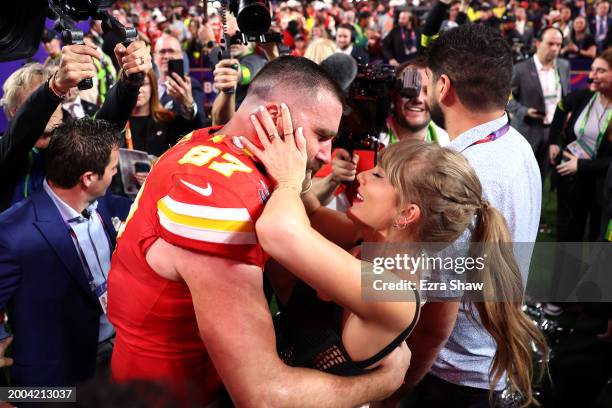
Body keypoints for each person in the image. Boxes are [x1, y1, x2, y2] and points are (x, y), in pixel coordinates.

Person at [107, 56, 411, 407]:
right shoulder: (220, 200)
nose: (327, 153)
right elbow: (263, 396)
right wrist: (385, 382)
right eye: (321, 135)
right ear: (275, 117)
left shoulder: (207, 141)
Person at [243, 109, 546, 396]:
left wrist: (287, 179)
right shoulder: (369, 240)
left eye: (377, 176)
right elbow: (312, 211)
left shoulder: (394, 293)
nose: (361, 176)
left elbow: (278, 230)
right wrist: (298, 153)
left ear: (406, 214)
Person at [396, 24, 546, 407]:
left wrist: (397, 391)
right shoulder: (518, 145)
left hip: (453, 378)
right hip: (493, 363)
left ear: (443, 87)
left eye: (427, 82)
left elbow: (437, 323)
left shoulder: (457, 176)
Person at [0, 118, 129, 387]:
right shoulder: (12, 233)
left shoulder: (107, 204)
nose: (115, 174)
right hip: (56, 383)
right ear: (88, 178)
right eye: (113, 169)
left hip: (118, 355)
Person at [0, 41, 151, 211]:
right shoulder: (6, 149)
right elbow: (16, 140)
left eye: (57, 97)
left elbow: (107, 125)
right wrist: (54, 88)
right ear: (15, 112)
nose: (51, 105)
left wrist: (129, 82)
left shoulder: (69, 138)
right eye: (38, 98)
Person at [312, 58, 448, 210]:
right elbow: (308, 199)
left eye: (427, 91)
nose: (417, 98)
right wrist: (333, 179)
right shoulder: (363, 136)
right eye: (409, 88)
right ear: (393, 94)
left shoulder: (448, 145)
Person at [549, 49, 612, 245]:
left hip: (603, 189)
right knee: (568, 241)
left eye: (600, 71)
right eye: (592, 69)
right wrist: (554, 141)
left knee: (598, 245)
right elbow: (560, 109)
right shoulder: (584, 95)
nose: (592, 76)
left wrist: (582, 165)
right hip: (572, 182)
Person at [508, 26, 570, 178]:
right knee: (521, 177)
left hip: (553, 131)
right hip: (527, 130)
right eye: (550, 44)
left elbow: (564, 95)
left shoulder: (564, 66)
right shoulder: (519, 69)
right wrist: (524, 111)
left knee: (542, 178)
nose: (555, 48)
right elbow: (505, 98)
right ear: (537, 43)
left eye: (559, 44)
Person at [153, 34, 206, 128]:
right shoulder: (148, 86)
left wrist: (189, 106)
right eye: (162, 51)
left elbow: (200, 123)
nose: (166, 56)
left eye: (171, 51)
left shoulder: (190, 85)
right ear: (154, 57)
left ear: (181, 55)